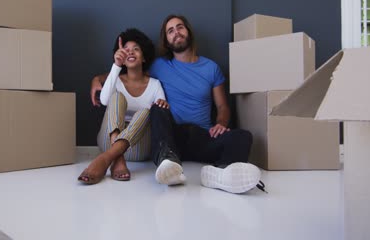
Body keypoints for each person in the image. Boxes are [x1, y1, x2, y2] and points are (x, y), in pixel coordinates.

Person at [91, 15, 264, 193]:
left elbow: (223, 107)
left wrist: (220, 124)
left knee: (243, 136)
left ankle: (220, 174)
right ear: (166, 40)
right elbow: (132, 72)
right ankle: (168, 162)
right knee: (157, 107)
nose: (176, 33)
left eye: (180, 27)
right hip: (170, 136)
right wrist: (98, 79)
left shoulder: (211, 68)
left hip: (203, 136)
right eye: (170, 31)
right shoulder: (160, 65)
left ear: (188, 31)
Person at [79, 28, 169, 184]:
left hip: (138, 147)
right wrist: (116, 65)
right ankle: (117, 157)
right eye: (126, 50)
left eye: (136, 49)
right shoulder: (116, 79)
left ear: (144, 58)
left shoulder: (155, 85)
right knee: (116, 97)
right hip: (108, 140)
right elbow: (105, 101)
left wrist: (163, 104)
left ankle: (105, 158)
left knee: (147, 112)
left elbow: (160, 111)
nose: (131, 52)